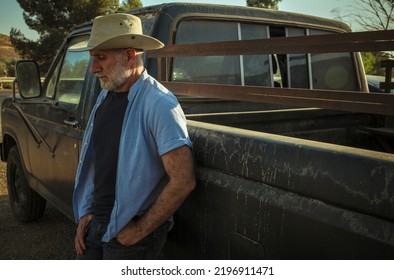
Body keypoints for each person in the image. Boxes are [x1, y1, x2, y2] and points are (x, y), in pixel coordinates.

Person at [71, 13, 196, 260]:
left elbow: (183, 179)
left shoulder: (159, 104)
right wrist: (87, 212)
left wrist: (140, 229)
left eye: (101, 58)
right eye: (93, 58)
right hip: (96, 224)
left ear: (129, 56)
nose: (94, 68)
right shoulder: (105, 96)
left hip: (130, 237)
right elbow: (99, 162)